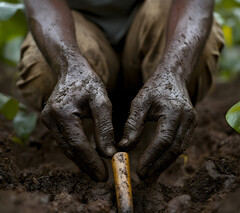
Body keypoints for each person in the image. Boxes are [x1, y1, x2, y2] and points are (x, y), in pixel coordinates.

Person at [17, 0, 224, 183]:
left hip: (157, 18)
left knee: (196, 52)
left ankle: (154, 135)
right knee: (43, 70)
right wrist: (69, 67)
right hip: (73, 25)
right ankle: (87, 147)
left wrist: (174, 73)